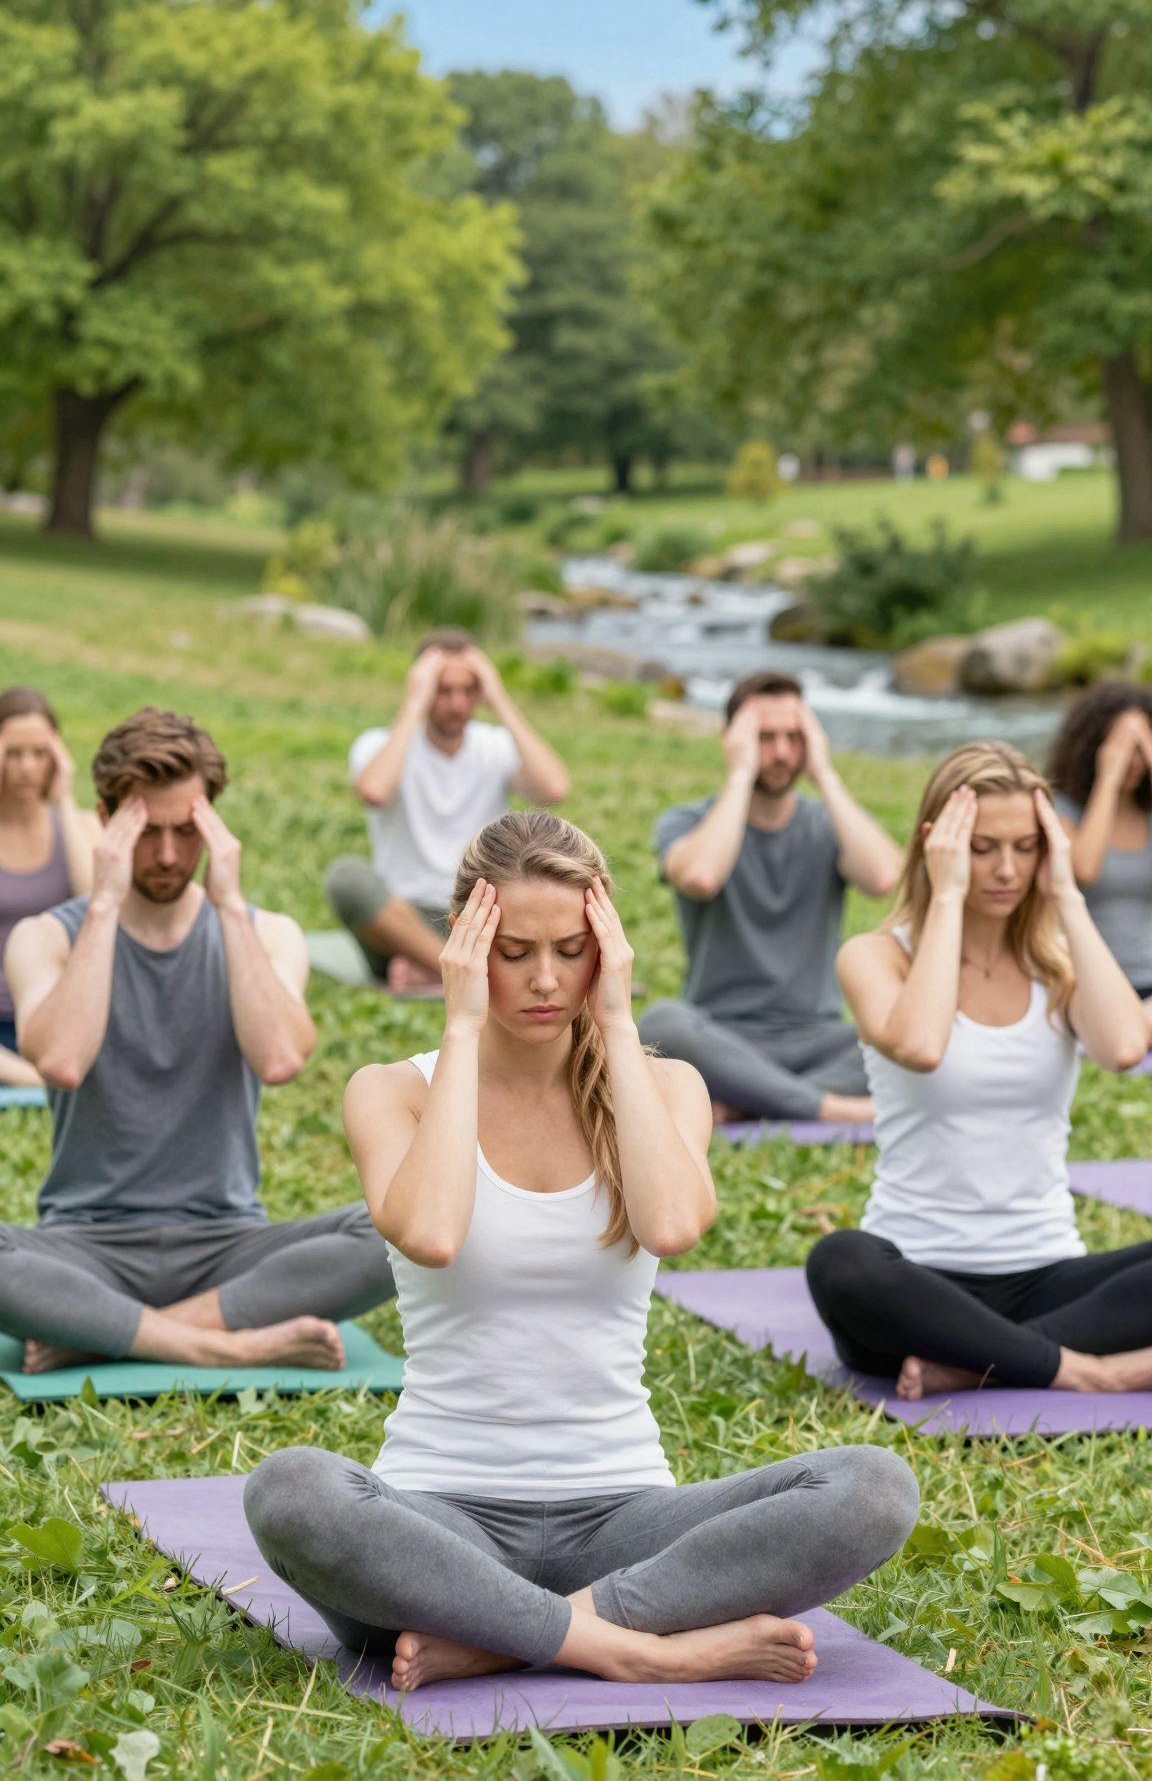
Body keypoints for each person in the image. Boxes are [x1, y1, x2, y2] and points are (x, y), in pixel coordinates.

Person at [243, 811, 918, 1694]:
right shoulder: (391, 1092)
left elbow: (673, 1225)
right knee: (290, 1491)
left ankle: (507, 1639)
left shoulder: (667, 1084)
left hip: (623, 1511)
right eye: (513, 951)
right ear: (465, 947)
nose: (545, 979)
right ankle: (638, 1648)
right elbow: (433, 1233)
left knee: (873, 1488)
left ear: (607, 948)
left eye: (571, 949)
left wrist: (618, 1021)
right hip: (442, 1521)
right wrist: (458, 1030)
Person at [1, 707, 395, 1376]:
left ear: (213, 822)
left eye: (187, 831)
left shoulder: (268, 934)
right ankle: (222, 1345)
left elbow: (279, 1059)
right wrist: (102, 902)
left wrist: (230, 906)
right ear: (104, 819)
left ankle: (108, 1335)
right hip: (89, 1248)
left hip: (228, 1247)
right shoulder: (47, 936)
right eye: (146, 832)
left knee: (398, 1230)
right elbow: (62, 1062)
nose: (165, 855)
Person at [806, 741, 1152, 1401]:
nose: (1006, 869)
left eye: (1025, 847)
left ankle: (977, 1362)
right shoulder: (876, 957)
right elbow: (922, 1043)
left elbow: (1125, 1049)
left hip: (1046, 1273)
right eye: (983, 847)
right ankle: (1085, 1368)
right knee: (839, 1261)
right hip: (916, 1284)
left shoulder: (1058, 966)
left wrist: (1068, 896)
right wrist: (946, 897)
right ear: (939, 846)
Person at [639, 672, 903, 1126]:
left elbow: (883, 878)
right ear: (731, 741)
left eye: (793, 738)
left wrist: (825, 773)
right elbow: (701, 877)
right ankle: (825, 1108)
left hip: (816, 1040)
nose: (781, 753)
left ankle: (745, 1103)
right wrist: (741, 772)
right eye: (764, 737)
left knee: (901, 1033)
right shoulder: (687, 821)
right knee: (661, 1025)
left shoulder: (828, 823)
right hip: (719, 1036)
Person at [325, 630, 570, 993]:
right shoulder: (379, 744)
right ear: (420, 688)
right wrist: (414, 703)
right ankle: (462, 973)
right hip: (402, 923)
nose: (458, 703)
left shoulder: (494, 745)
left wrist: (500, 700)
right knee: (346, 878)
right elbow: (374, 791)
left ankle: (436, 970)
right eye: (444, 690)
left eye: (469, 690)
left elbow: (553, 790)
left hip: (478, 916)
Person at [0, 686, 100, 1088]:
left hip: (54, 1020)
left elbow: (94, 904)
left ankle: (38, 1074)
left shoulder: (82, 827)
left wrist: (64, 802)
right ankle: (34, 1079)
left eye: (40, 753)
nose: (27, 767)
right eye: (14, 753)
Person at [1049, 682, 1152, 1023]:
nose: (1131, 760)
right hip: (1091, 983)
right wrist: (1109, 778)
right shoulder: (1063, 809)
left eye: (1139, 748)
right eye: (1121, 746)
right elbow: (1084, 869)